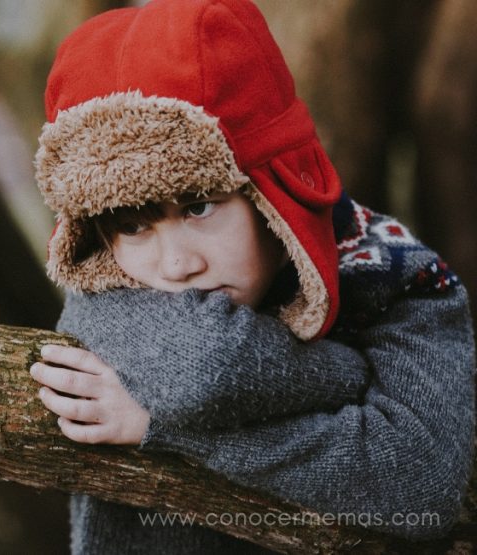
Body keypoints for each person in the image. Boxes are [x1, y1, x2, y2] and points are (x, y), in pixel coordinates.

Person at [27, 0, 476, 553]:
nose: (176, 265)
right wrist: (347, 376)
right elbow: (205, 369)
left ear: (271, 191)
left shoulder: (401, 279)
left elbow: (420, 484)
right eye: (134, 224)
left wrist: (166, 429)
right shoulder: (106, 279)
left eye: (198, 207)